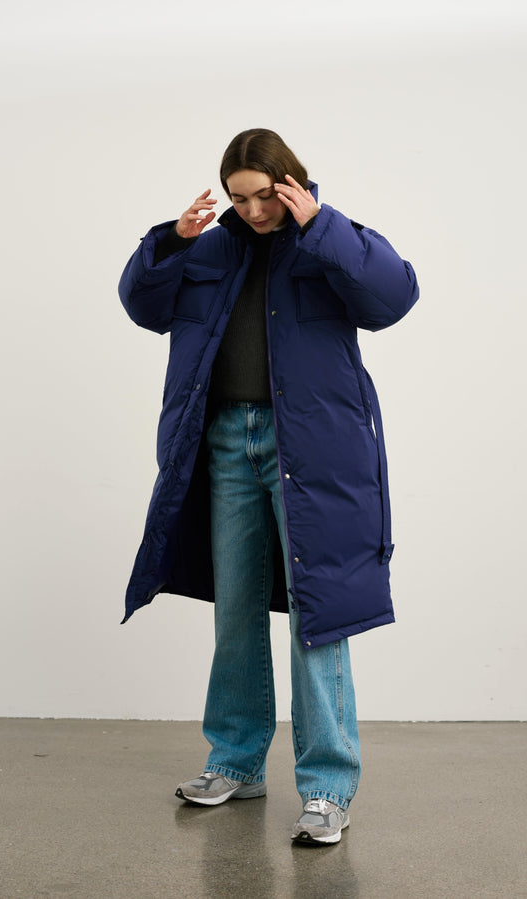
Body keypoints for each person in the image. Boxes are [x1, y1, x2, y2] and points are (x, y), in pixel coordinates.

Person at [118, 128, 419, 844]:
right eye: (238, 198)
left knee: (321, 615)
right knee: (238, 610)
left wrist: (322, 223)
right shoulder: (212, 248)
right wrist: (170, 242)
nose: (252, 210)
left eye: (263, 195)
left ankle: (326, 788)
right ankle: (236, 761)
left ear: (290, 181)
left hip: (309, 455)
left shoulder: (325, 239)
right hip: (226, 442)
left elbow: (394, 295)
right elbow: (143, 305)